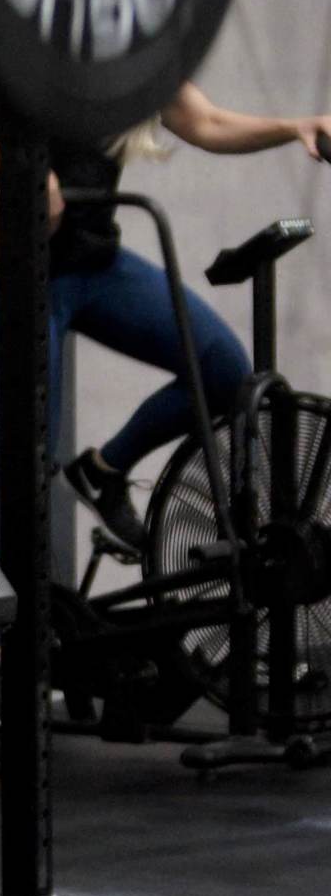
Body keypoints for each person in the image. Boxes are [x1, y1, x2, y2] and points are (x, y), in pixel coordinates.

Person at [51, 83, 331, 558]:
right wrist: (9, 165)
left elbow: (205, 122)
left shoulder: (127, 51)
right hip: (26, 271)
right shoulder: (18, 36)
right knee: (22, 450)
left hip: (94, 262)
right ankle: (2, 623)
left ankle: (103, 473)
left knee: (224, 371)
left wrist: (294, 127)